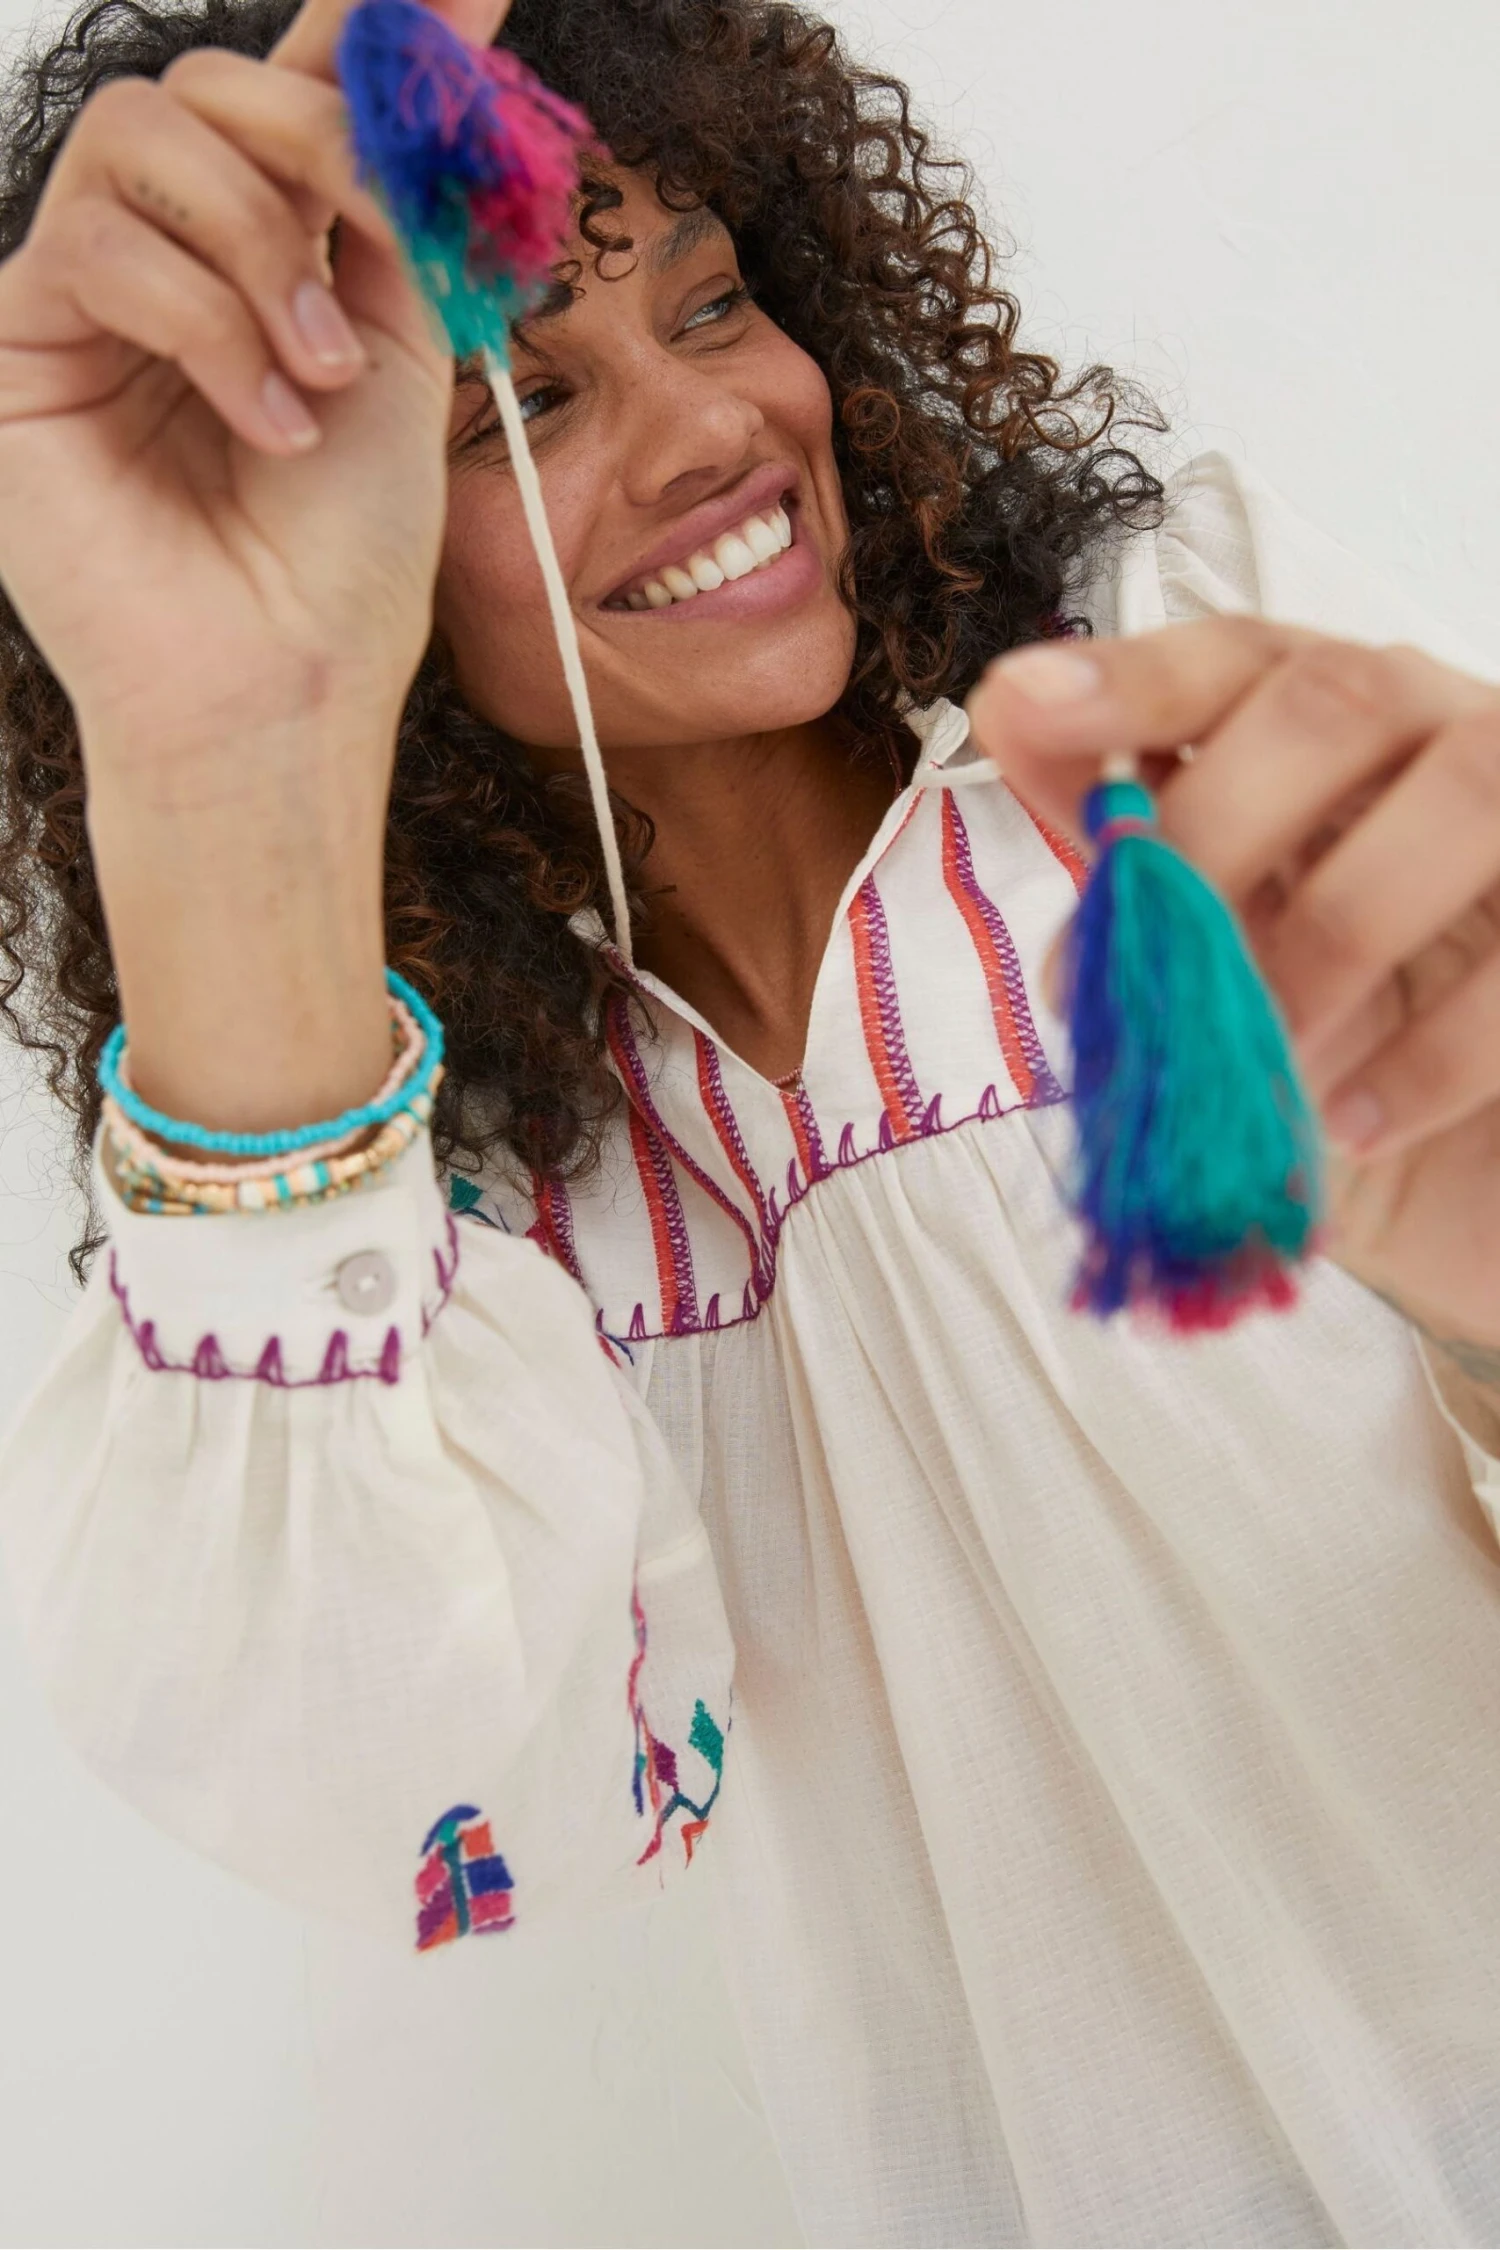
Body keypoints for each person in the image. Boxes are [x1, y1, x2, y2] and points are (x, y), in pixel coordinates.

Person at [0, 0, 1499, 2238]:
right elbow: (404, 1785)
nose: (715, 426)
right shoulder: (463, 1225)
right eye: (526, 401)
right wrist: (227, 772)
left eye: (711, 302)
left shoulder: (1165, 708)